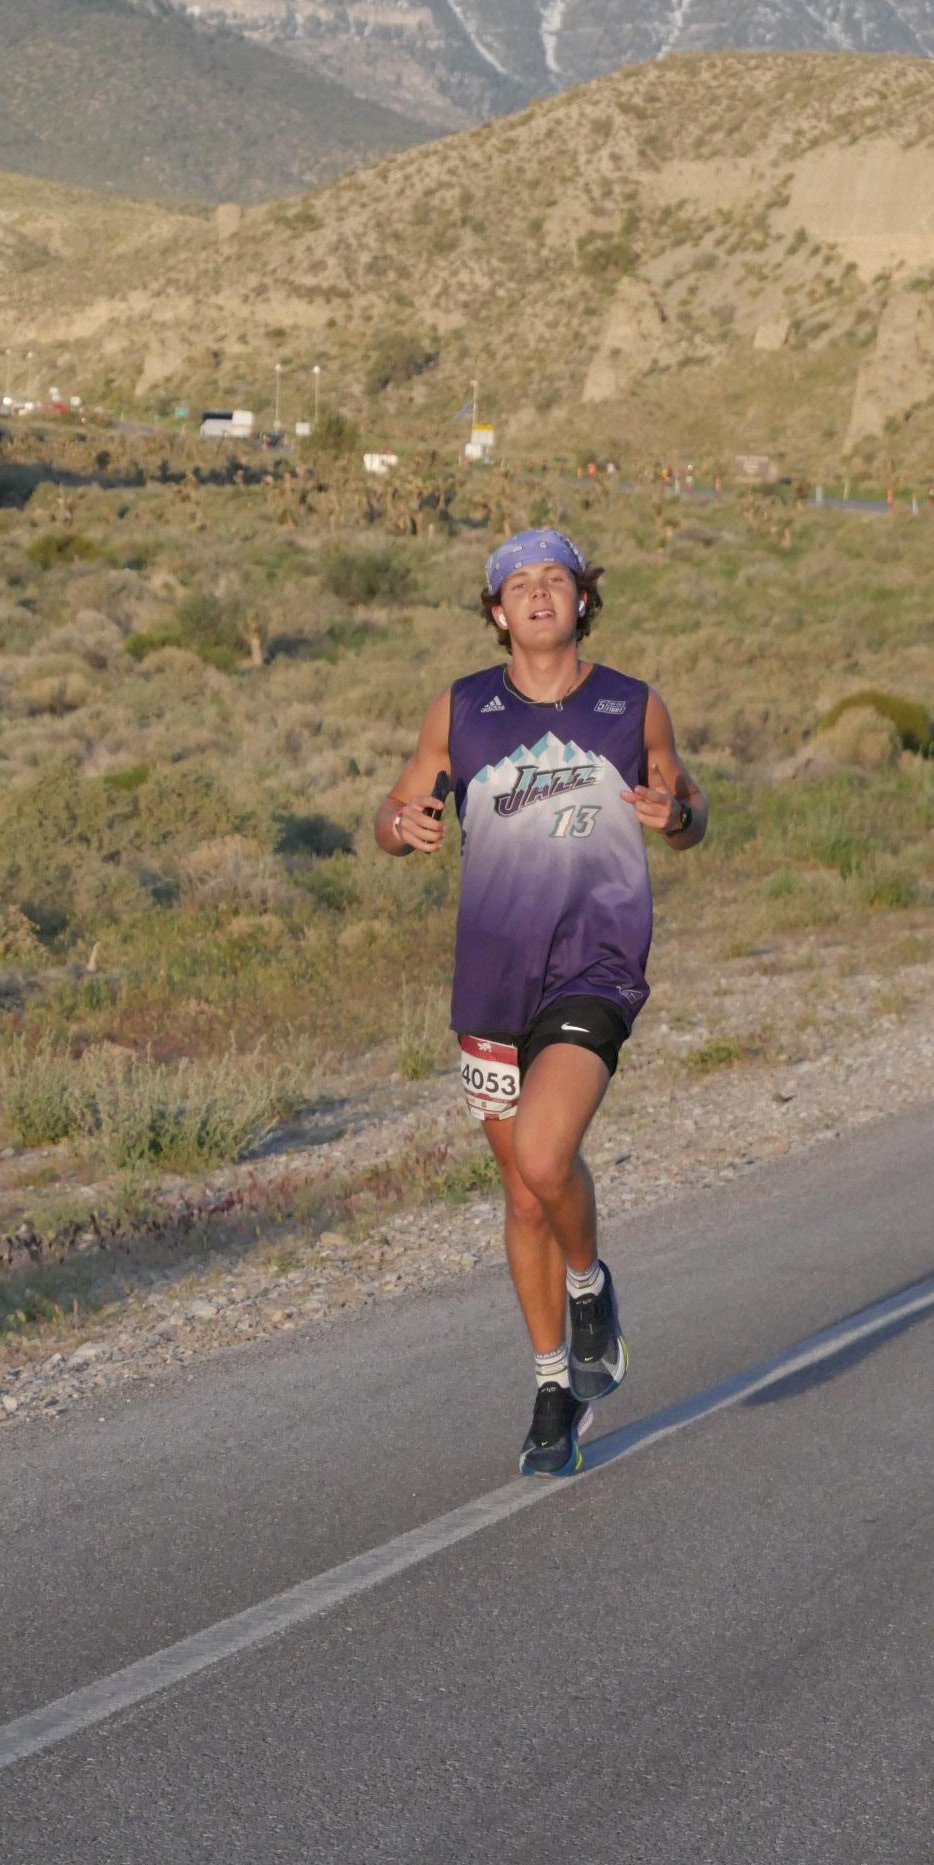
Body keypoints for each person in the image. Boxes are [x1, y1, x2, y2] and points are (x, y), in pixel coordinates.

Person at [375, 528, 707, 1476]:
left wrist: (678, 816)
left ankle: (590, 1286)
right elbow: (390, 815)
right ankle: (554, 1385)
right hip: (492, 980)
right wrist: (402, 825)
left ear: (581, 599)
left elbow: (690, 809)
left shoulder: (630, 704)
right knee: (524, 1197)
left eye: (554, 578)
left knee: (545, 1153)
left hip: (595, 964)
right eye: (517, 584)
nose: (537, 593)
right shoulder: (460, 710)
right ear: (496, 611)